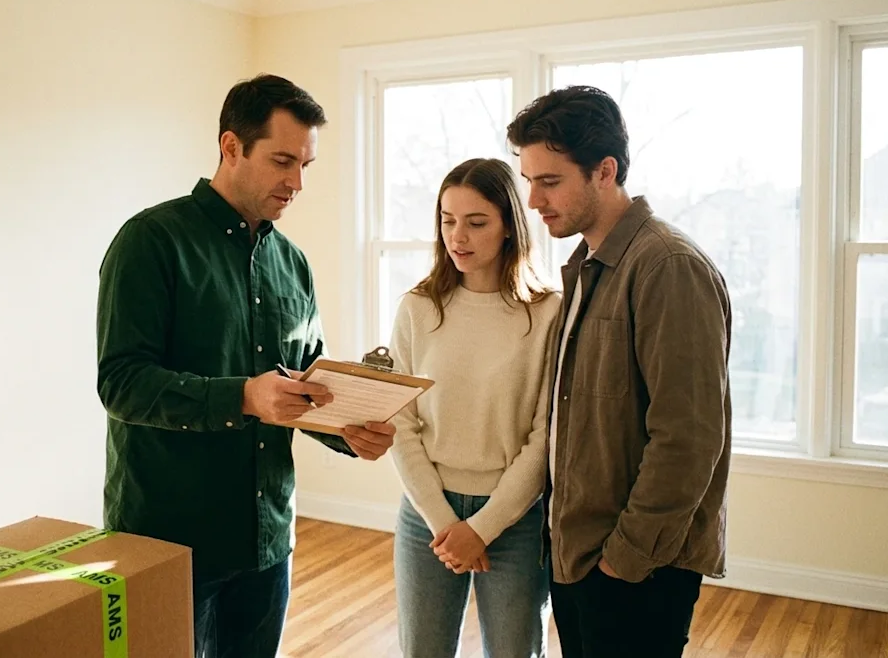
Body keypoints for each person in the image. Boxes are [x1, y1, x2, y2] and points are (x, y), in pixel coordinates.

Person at [95, 73, 398, 658]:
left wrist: (349, 432)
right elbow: (122, 383)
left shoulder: (292, 262)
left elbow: (305, 382)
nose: (297, 182)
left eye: (306, 165)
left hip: (267, 541)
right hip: (168, 539)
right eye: (283, 161)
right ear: (231, 146)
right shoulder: (150, 242)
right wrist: (243, 397)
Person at [507, 85, 733, 658]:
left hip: (635, 566)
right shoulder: (586, 266)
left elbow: (688, 438)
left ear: (604, 171)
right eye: (529, 180)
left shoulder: (668, 266)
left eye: (550, 181)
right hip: (578, 552)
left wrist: (625, 559)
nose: (533, 200)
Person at [389, 158, 560, 658]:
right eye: (447, 220)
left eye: (476, 222)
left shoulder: (547, 312)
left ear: (510, 225)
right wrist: (446, 525)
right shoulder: (418, 308)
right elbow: (402, 424)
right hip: (427, 515)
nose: (457, 237)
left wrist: (482, 529)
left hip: (515, 520)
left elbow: (544, 436)